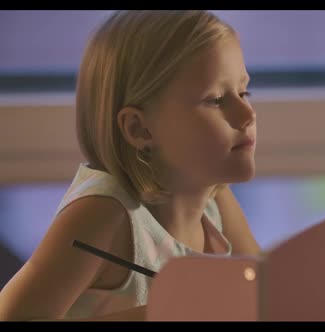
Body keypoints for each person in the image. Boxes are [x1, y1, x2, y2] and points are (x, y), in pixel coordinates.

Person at [0, 10, 260, 321]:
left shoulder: (214, 200)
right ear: (139, 129)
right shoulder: (103, 214)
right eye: (215, 99)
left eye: (244, 92)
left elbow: (265, 290)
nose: (248, 113)